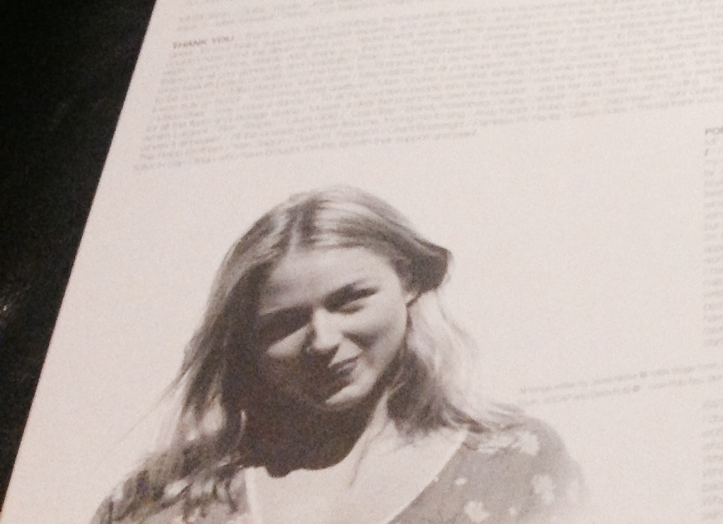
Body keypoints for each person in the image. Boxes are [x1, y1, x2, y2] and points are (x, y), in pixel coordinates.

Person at [95, 187, 584, 524]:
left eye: (350, 300)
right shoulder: (165, 497)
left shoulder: (514, 464)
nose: (322, 340)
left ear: (408, 280)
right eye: (284, 322)